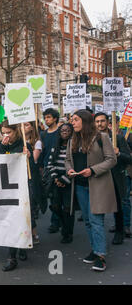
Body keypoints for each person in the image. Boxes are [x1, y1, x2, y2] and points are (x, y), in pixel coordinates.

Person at [66, 110, 117, 272]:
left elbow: (111, 159)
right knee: (88, 220)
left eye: (75, 120)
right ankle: (95, 249)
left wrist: (93, 170)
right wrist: (69, 170)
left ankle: (101, 256)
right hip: (80, 186)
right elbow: (68, 160)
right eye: (71, 120)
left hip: (97, 186)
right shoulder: (72, 139)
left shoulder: (101, 137)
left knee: (96, 221)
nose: (72, 123)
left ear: (85, 121)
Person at [0, 121, 39, 272]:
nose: (6, 135)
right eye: (4, 133)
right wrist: (3, 146)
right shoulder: (1, 145)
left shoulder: (24, 145)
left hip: (23, 188)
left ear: (16, 131)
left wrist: (28, 157)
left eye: (9, 132)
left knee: (24, 219)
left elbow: (32, 169)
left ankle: (23, 246)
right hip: (8, 189)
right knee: (11, 221)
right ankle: (11, 257)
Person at [94, 112, 132, 245]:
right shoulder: (92, 139)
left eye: (102, 121)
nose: (100, 124)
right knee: (99, 207)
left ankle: (119, 231)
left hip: (115, 176)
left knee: (118, 206)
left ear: (107, 122)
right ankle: (98, 236)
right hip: (99, 177)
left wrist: (119, 153)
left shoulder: (118, 138)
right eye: (97, 121)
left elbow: (129, 159)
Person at [46, 123, 75, 243]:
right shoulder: (56, 146)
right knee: (55, 206)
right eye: (62, 130)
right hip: (56, 182)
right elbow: (50, 164)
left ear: (71, 132)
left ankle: (68, 233)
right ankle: (64, 224)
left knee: (68, 209)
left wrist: (65, 179)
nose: (64, 132)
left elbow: (75, 166)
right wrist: (56, 178)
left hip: (69, 182)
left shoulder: (74, 147)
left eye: (67, 130)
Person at [41, 108, 61, 234]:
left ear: (55, 118)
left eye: (49, 117)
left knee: (57, 198)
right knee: (51, 197)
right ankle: (56, 220)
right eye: (45, 117)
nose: (46, 120)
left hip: (58, 168)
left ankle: (56, 222)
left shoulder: (60, 133)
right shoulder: (43, 134)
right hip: (46, 168)